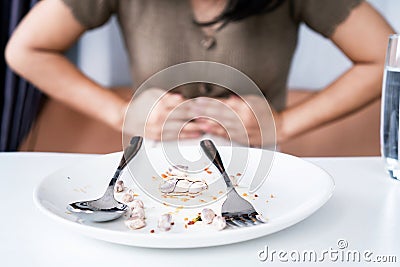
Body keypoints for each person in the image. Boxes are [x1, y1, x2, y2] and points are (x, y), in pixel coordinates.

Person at [5, 0, 395, 148]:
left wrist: (286, 123)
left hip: (260, 176)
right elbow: (25, 49)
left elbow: (387, 55)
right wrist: (118, 112)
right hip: (149, 177)